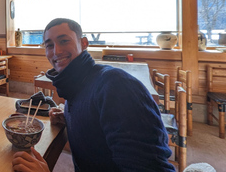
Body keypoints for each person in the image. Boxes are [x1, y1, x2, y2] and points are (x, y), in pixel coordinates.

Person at [12, 18, 175, 172]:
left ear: (83, 43)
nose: (57, 51)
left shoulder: (116, 85)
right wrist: (69, 118)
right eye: (49, 45)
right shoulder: (75, 87)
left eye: (64, 41)